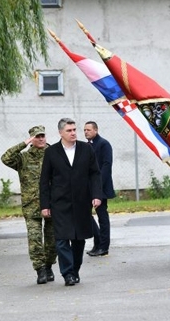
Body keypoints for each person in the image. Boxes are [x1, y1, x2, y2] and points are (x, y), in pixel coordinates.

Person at [40, 118, 102, 286]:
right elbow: (44, 180)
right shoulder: (51, 152)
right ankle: (67, 273)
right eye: (69, 130)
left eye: (74, 129)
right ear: (61, 133)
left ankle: (75, 270)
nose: (73, 133)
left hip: (82, 201)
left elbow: (95, 174)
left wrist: (97, 195)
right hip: (60, 202)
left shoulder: (86, 149)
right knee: (61, 239)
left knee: (78, 239)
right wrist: (44, 205)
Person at [1, 125, 57, 284]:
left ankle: (49, 266)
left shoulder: (53, 154)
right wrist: (23, 144)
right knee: (35, 239)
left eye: (42, 136)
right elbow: (5, 158)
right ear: (32, 139)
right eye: (37, 137)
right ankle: (39, 269)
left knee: (52, 239)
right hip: (31, 205)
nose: (40, 139)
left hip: (52, 204)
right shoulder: (23, 158)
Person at [84, 121, 115, 257]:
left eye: (89, 130)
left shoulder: (103, 144)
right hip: (88, 186)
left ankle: (103, 246)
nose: (86, 132)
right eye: (84, 130)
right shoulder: (86, 146)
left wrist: (98, 185)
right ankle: (97, 241)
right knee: (85, 214)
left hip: (100, 187)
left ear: (95, 130)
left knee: (102, 216)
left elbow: (106, 166)